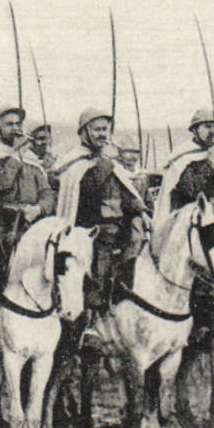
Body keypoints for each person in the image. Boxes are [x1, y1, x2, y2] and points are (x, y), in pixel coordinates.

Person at [55, 108, 146, 311]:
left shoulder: (108, 162)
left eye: (105, 129)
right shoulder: (77, 162)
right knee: (96, 272)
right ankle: (92, 312)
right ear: (84, 132)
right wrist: (105, 164)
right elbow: (88, 189)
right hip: (88, 229)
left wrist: (140, 210)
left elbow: (124, 194)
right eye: (97, 129)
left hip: (117, 228)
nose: (102, 134)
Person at [156, 108, 214, 224]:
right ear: (195, 130)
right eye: (207, 127)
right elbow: (191, 190)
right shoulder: (183, 158)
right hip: (189, 214)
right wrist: (211, 164)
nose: (212, 131)